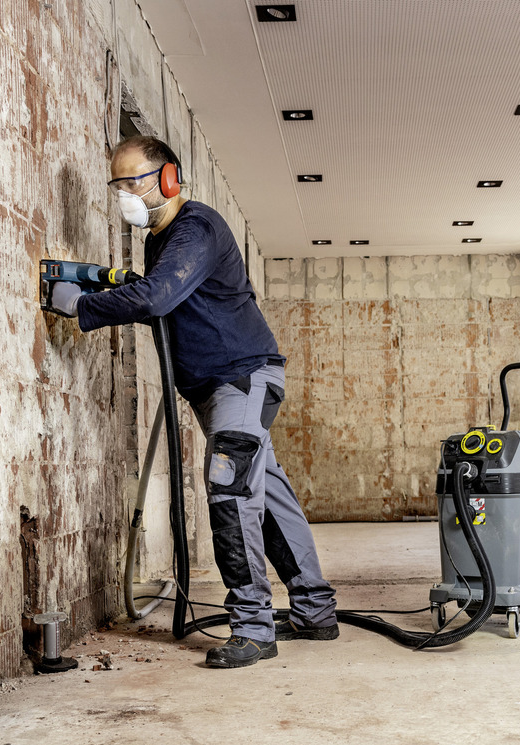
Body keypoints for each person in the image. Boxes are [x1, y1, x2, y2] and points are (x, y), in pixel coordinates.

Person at [47, 135, 338, 668]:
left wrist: (82, 307)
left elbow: (157, 297)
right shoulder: (162, 242)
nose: (125, 195)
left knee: (229, 487)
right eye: (118, 185)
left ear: (168, 179)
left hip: (242, 378)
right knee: (265, 492)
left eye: (133, 181)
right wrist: (106, 286)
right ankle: (314, 610)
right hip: (214, 386)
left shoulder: (196, 228)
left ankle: (253, 627)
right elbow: (159, 290)